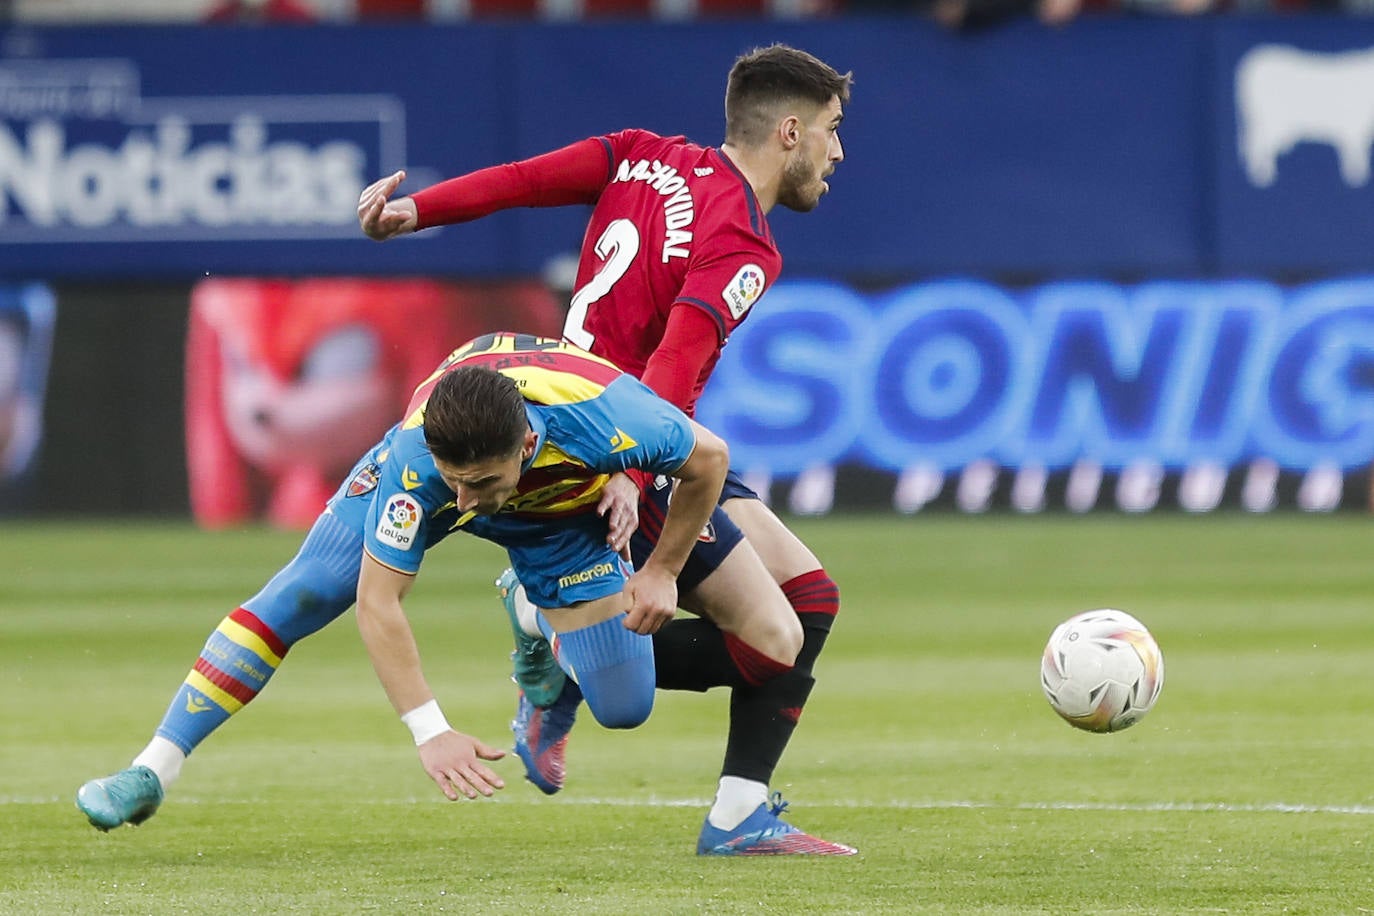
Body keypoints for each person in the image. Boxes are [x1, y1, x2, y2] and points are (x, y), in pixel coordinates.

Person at [358, 43, 856, 855]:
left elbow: (519, 181)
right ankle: (559, 629)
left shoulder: (641, 155)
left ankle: (737, 812)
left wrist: (419, 212)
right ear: (791, 132)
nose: (840, 152)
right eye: (834, 130)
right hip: (625, 440)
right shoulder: (744, 243)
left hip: (591, 417)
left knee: (814, 599)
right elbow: (675, 366)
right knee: (774, 642)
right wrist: (631, 470)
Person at [76, 332, 729, 827]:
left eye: (481, 484)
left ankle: (533, 614)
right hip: (434, 475)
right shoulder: (419, 463)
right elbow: (378, 602)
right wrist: (431, 730)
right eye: (457, 482)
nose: (467, 503)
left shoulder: (606, 415)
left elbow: (710, 459)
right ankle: (151, 769)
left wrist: (661, 568)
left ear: (526, 449)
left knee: (624, 707)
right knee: (304, 592)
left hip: (557, 516)